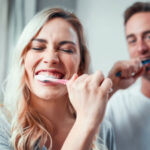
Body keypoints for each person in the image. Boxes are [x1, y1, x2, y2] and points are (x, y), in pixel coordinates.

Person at [0, 8, 116, 150]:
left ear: (81, 64)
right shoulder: (3, 126)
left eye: (67, 50)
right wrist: (85, 123)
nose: (51, 59)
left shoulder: (103, 129)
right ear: (23, 59)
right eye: (38, 47)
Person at [105, 2, 150, 150]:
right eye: (132, 40)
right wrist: (108, 88)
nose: (141, 48)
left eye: (149, 36)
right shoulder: (114, 105)